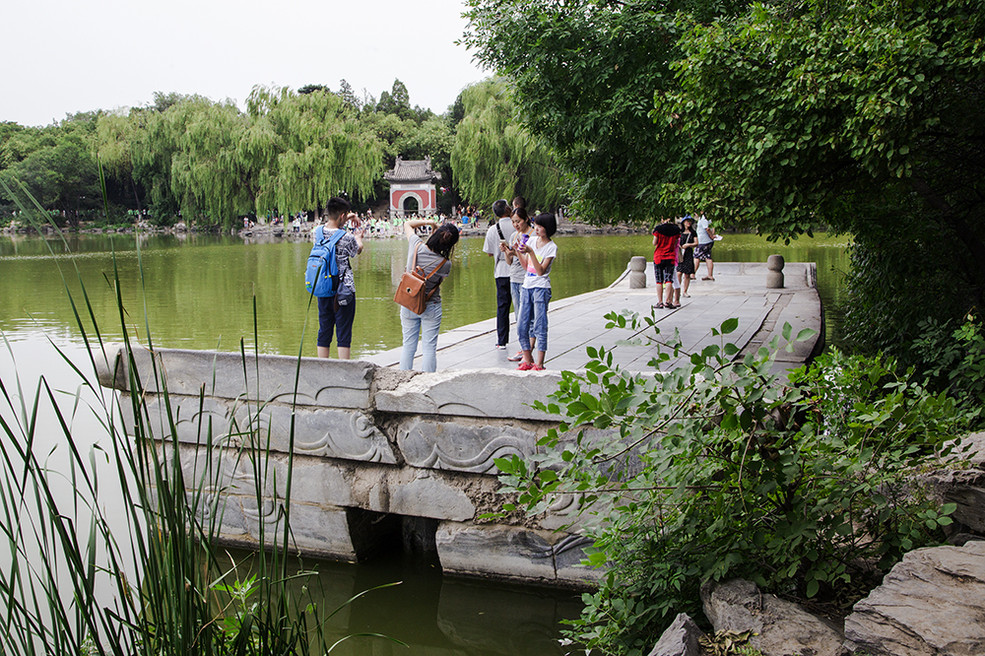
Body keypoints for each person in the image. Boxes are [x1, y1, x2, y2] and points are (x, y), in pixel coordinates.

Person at [398, 218, 460, 372]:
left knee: (408, 346)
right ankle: (428, 382)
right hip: (430, 305)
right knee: (429, 348)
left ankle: (402, 379)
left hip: (408, 302)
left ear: (435, 234)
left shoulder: (415, 246)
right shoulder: (445, 264)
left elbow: (407, 224)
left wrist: (430, 221)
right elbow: (438, 280)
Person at [316, 197, 363, 360]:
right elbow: (357, 251)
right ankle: (343, 370)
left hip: (322, 287)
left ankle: (322, 367)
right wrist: (358, 238)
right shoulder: (347, 237)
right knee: (343, 331)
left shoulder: (316, 233)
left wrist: (346, 217)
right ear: (342, 215)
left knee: (324, 330)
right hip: (344, 289)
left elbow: (333, 226)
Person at [515, 213, 558, 371]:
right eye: (536, 225)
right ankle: (527, 358)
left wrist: (531, 252)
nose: (536, 229)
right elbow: (527, 267)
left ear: (548, 229)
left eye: (540, 227)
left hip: (541, 288)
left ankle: (539, 363)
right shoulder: (532, 240)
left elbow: (540, 271)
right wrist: (518, 251)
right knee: (521, 325)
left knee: (540, 325)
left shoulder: (551, 247)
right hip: (527, 286)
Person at [483, 199, 516, 350]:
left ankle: (501, 341)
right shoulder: (518, 225)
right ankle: (526, 339)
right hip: (519, 268)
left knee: (502, 306)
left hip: (501, 271)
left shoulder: (492, 229)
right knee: (521, 305)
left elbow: (489, 253)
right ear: (508, 209)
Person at [503, 207, 535, 362]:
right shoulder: (514, 236)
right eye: (513, 221)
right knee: (518, 315)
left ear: (526, 219)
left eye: (518, 221)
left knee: (527, 316)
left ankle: (527, 350)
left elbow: (528, 263)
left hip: (527, 279)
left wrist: (516, 252)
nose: (515, 224)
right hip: (514, 278)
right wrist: (506, 252)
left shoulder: (532, 236)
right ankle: (523, 348)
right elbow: (510, 262)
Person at [652, 216, 682, 309]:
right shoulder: (676, 230)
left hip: (659, 256)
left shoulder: (658, 229)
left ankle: (660, 302)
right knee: (669, 279)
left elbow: (654, 242)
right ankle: (668, 301)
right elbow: (675, 243)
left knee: (659, 280)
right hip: (670, 256)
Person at [677, 215, 698, 298]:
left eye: (690, 221)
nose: (688, 223)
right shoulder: (680, 232)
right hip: (680, 254)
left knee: (687, 274)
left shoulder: (693, 232)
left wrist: (689, 245)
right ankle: (677, 290)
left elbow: (696, 243)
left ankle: (685, 291)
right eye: (687, 221)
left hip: (688, 253)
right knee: (679, 273)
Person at [695, 211, 717, 281]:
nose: (695, 214)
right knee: (708, 257)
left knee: (696, 256)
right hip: (708, 241)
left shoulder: (703, 218)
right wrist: (712, 235)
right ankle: (710, 275)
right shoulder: (709, 217)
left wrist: (711, 236)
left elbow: (707, 228)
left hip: (703, 241)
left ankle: (692, 274)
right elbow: (713, 226)